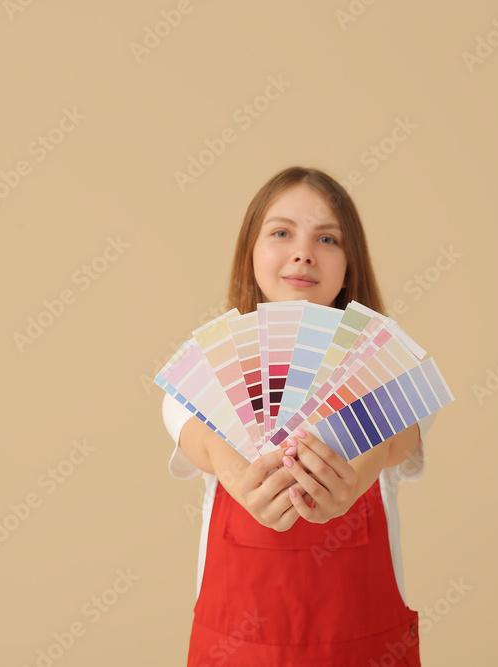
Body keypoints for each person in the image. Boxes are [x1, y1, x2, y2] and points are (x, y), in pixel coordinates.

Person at [161, 166, 437, 666]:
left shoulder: (392, 373)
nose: (303, 251)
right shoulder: (207, 371)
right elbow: (190, 425)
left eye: (327, 238)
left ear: (350, 265)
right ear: (251, 252)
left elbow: (399, 432)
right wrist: (238, 474)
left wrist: (352, 479)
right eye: (281, 232)